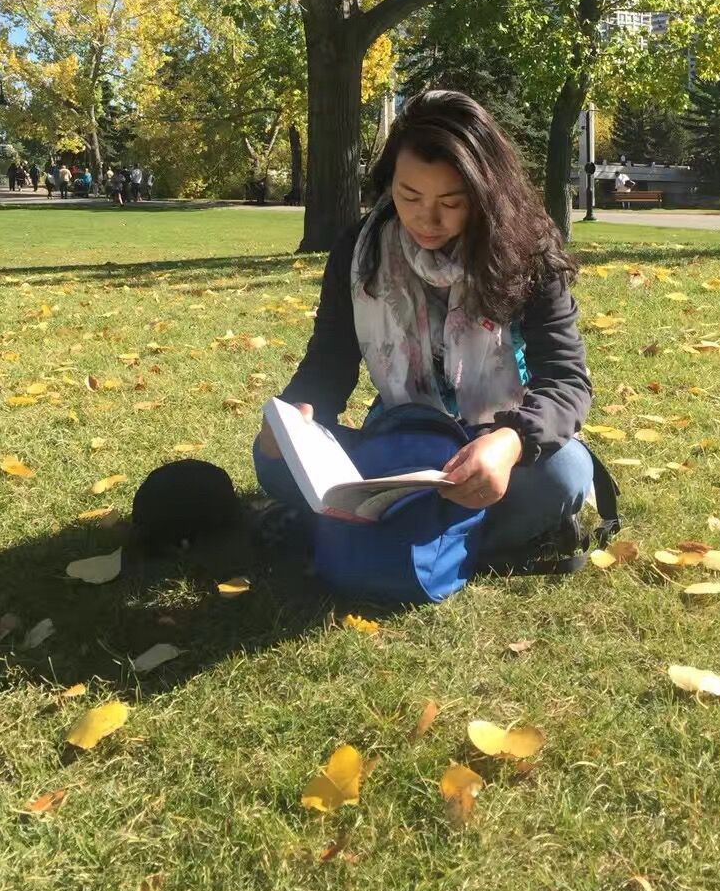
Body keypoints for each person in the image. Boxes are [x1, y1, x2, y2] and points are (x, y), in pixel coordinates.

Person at [254, 89, 599, 570]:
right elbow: (328, 363)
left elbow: (566, 378)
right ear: (388, 183)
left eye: (451, 202)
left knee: (566, 473)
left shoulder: (527, 250)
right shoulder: (360, 251)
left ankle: (373, 533)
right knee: (271, 461)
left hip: (495, 439)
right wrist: (293, 422)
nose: (427, 219)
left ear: (484, 193)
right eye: (409, 196)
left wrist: (511, 440)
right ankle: (461, 537)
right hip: (403, 437)